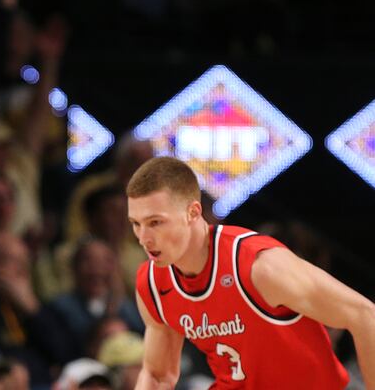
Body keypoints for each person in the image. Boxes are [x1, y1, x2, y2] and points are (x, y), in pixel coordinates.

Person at [127, 157, 375, 389]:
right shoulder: (152, 283)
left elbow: (364, 315)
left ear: (193, 212)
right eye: (136, 224)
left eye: (155, 222)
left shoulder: (260, 266)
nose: (143, 238)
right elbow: (158, 376)